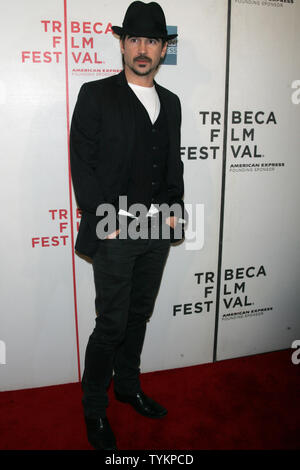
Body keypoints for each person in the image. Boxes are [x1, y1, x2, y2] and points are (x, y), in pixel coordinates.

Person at [70, 1, 186, 450]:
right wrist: (106, 221)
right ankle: (94, 408)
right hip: (115, 231)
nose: (142, 48)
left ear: (162, 50)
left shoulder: (172, 103)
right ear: (122, 44)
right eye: (134, 38)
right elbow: (83, 164)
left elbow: (172, 162)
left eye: (152, 41)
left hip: (156, 230)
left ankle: (128, 386)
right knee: (111, 324)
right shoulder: (95, 94)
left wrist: (174, 210)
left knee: (139, 315)